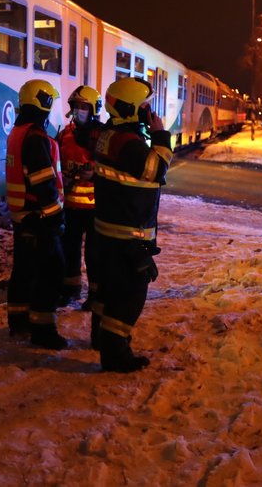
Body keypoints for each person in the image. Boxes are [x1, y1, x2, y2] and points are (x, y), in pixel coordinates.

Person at [91, 77, 173, 372]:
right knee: (129, 296)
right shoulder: (128, 144)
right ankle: (115, 355)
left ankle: (101, 339)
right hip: (127, 233)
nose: (148, 112)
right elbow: (157, 170)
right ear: (129, 109)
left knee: (108, 293)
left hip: (108, 230)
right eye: (144, 106)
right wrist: (161, 136)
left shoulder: (111, 135)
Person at [5, 79, 68, 349]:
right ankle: (43, 331)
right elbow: (44, 182)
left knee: (23, 272)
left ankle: (18, 323)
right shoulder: (37, 138)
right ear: (44, 103)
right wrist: (55, 216)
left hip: (22, 215)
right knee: (51, 273)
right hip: (39, 217)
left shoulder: (19, 132)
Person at [55, 85, 103, 308]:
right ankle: (70, 289)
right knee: (69, 251)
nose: (79, 111)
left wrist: (95, 174)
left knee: (95, 256)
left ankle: (95, 295)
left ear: (94, 109)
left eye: (84, 106)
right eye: (76, 106)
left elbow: (113, 168)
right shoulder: (64, 134)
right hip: (71, 207)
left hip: (95, 208)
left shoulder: (103, 136)